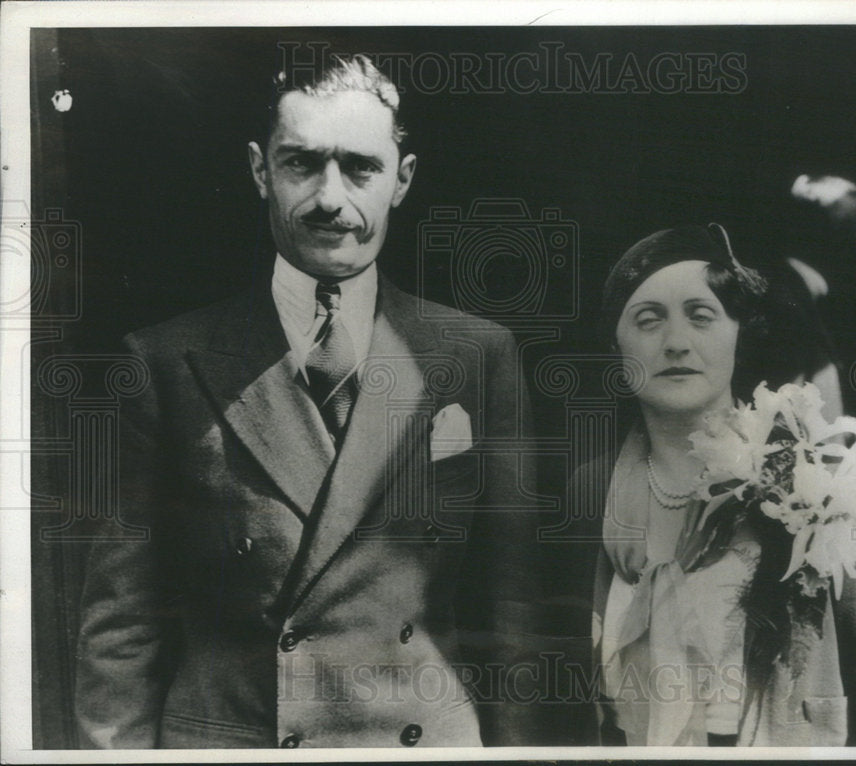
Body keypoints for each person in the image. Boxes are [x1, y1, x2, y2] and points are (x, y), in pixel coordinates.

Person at [74, 54, 544, 749]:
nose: (330, 199)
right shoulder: (165, 362)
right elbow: (122, 623)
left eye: (360, 168)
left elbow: (516, 616)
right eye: (302, 164)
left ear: (401, 180)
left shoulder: (477, 356)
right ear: (261, 170)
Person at [570, 224, 856, 746]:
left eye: (702, 316)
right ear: (616, 345)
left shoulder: (825, 485)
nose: (675, 343)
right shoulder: (591, 490)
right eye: (648, 321)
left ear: (741, 333)